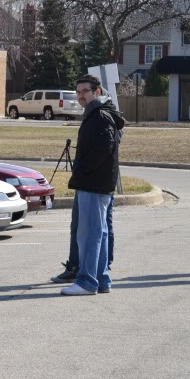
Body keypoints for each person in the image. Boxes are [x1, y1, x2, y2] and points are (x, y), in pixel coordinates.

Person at [61, 75, 125, 296]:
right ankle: (102, 279)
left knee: (88, 234)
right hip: (98, 183)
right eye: (78, 92)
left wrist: (84, 171)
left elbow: (103, 150)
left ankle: (87, 282)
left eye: (85, 91)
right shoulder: (99, 114)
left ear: (96, 92)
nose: (80, 96)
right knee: (100, 232)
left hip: (94, 184)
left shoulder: (99, 116)